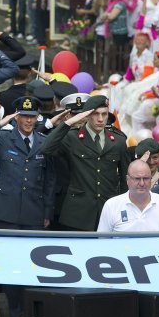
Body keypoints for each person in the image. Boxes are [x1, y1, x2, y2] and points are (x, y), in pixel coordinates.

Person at [0, 95, 55, 317]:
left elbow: (49, 180)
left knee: (33, 267)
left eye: (32, 116)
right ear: (16, 116)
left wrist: (47, 211)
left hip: (34, 213)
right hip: (6, 213)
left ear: (38, 117)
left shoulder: (43, 141)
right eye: (24, 116)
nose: (28, 121)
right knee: (9, 267)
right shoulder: (2, 137)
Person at [40, 95, 130, 231]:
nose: (100, 119)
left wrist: (123, 208)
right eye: (95, 114)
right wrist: (67, 124)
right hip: (78, 214)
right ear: (87, 115)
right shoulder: (72, 137)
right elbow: (46, 149)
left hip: (108, 210)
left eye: (104, 114)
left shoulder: (118, 141)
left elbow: (125, 179)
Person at [96, 160, 159, 232]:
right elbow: (103, 242)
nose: (142, 183)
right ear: (127, 179)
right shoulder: (111, 205)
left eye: (146, 178)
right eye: (137, 179)